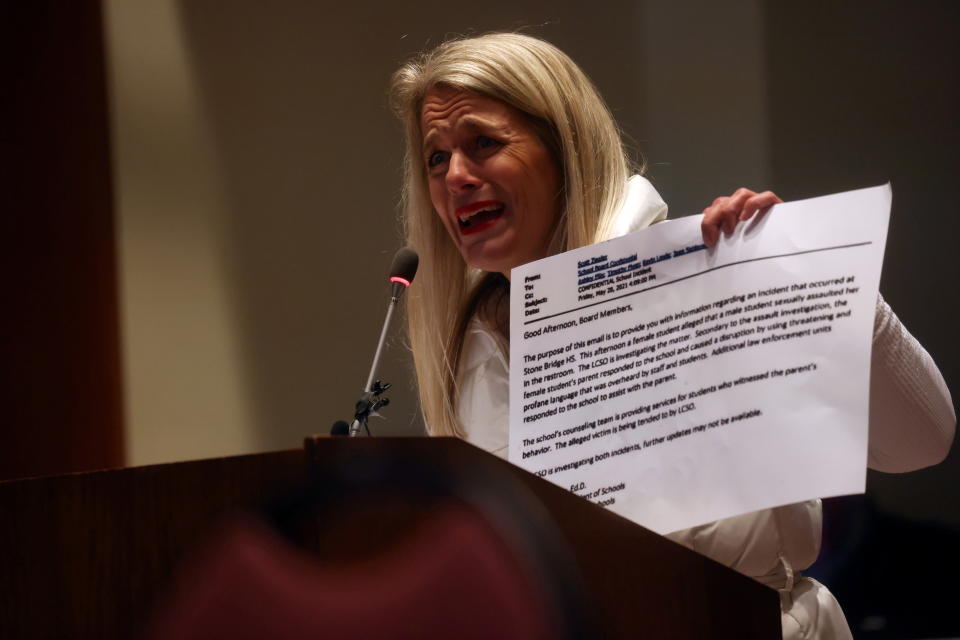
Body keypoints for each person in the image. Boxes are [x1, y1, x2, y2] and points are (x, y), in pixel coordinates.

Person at [389, 32, 955, 639]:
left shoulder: (712, 281)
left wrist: (811, 279)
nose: (456, 177)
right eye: (437, 158)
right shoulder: (467, 352)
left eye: (482, 143)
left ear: (565, 150)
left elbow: (922, 442)